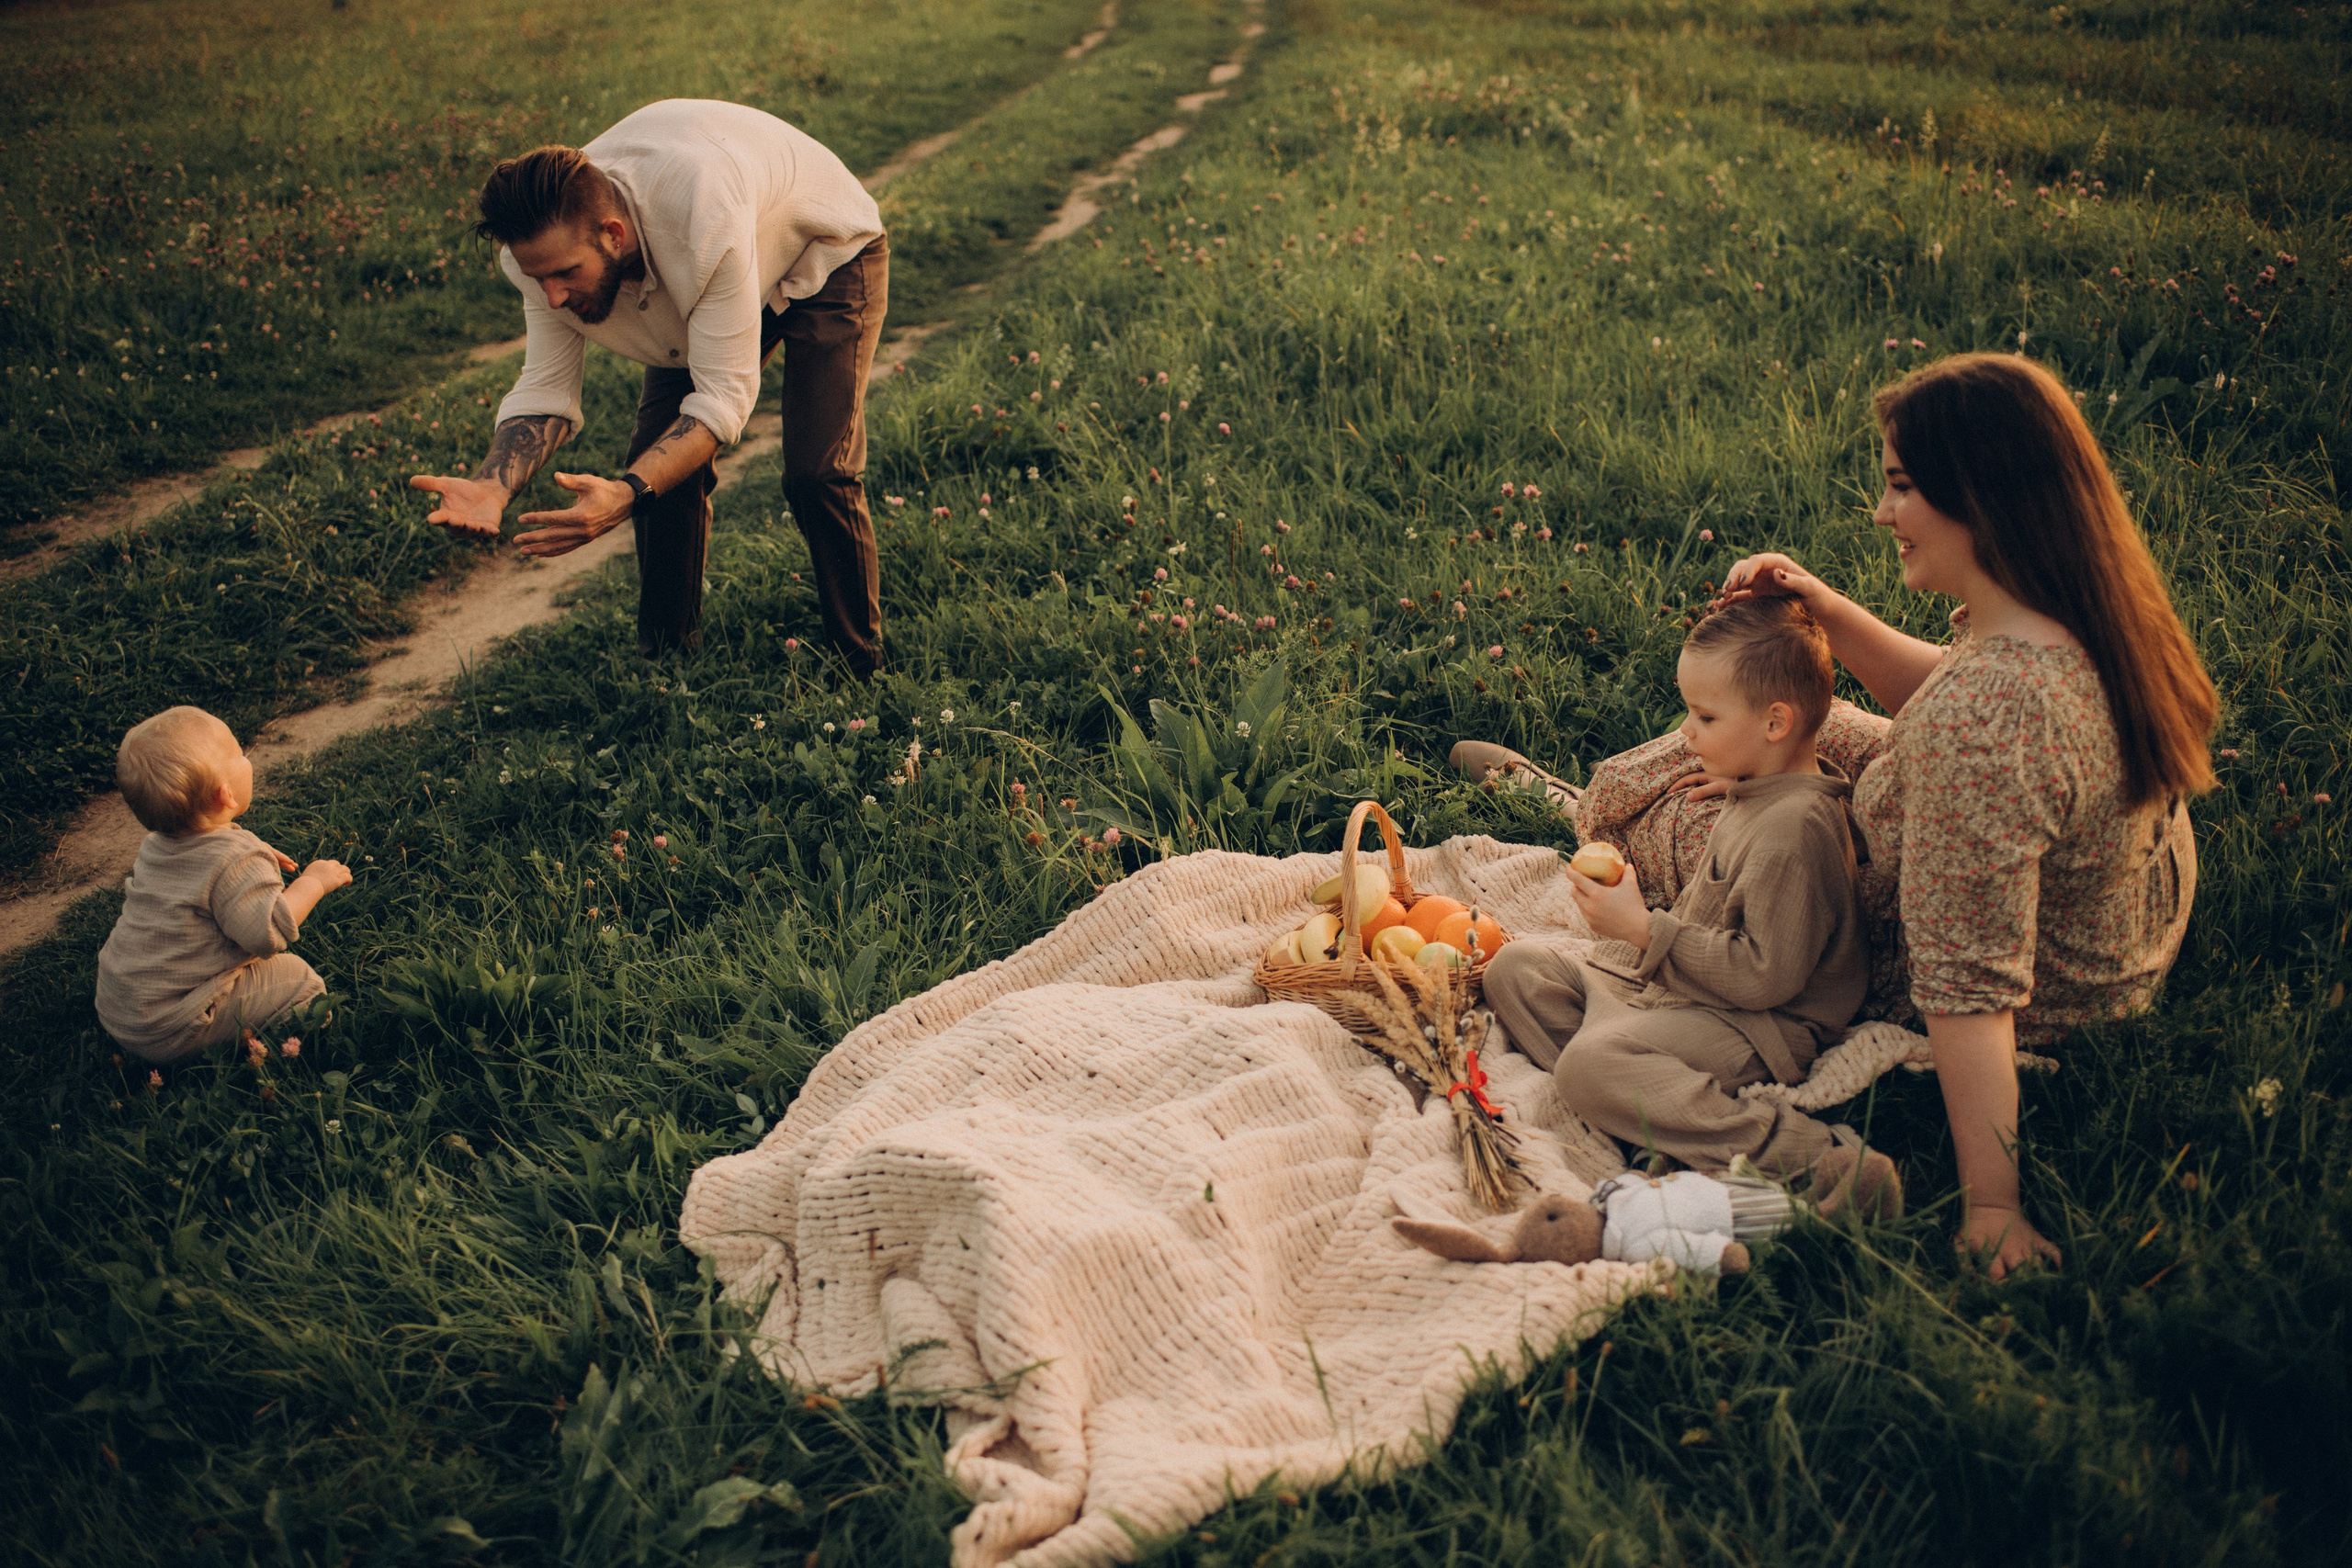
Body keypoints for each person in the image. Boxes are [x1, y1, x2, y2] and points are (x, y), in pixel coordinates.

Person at [1466, 352, 2217, 1278]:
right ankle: (1611, 834)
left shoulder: (1981, 734)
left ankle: (1576, 806)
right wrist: (1823, 608)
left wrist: (1990, 1205)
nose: (1882, 512)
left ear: (1976, 496)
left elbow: (1969, 987)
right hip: (2116, 924)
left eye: (1901, 488)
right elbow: (1940, 696)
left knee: (1715, 785)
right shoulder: (2062, 615)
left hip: (2037, 987)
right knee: (1779, 719)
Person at [410, 100, 889, 672]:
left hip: (826, 249)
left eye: (565, 274)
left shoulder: (701, 220)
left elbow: (721, 402)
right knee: (658, 467)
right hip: (711, 263)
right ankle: (665, 669)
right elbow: (546, 390)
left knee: (817, 471)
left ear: (613, 235)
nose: (554, 298)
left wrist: (626, 494)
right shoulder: (541, 258)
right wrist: (493, 485)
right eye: (540, 280)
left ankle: (864, 665)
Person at [1481, 598, 1900, 1213]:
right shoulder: (1765, 787)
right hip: (1686, 992)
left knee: (1588, 1067)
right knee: (1515, 969)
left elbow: (1765, 976)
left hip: (1759, 1023)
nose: (1685, 732)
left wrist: (1645, 931)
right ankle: (1653, 1113)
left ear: (1775, 724)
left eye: (1704, 716)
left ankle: (1816, 1158)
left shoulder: (1793, 832)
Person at [94, 707, 351, 1063]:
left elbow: (208, 867)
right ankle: (286, 1052)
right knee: (299, 979)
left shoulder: (157, 844)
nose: (247, 758)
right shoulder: (235, 860)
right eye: (239, 754)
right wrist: (314, 881)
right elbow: (266, 932)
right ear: (226, 795)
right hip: (174, 1024)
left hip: (121, 1008)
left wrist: (250, 857)